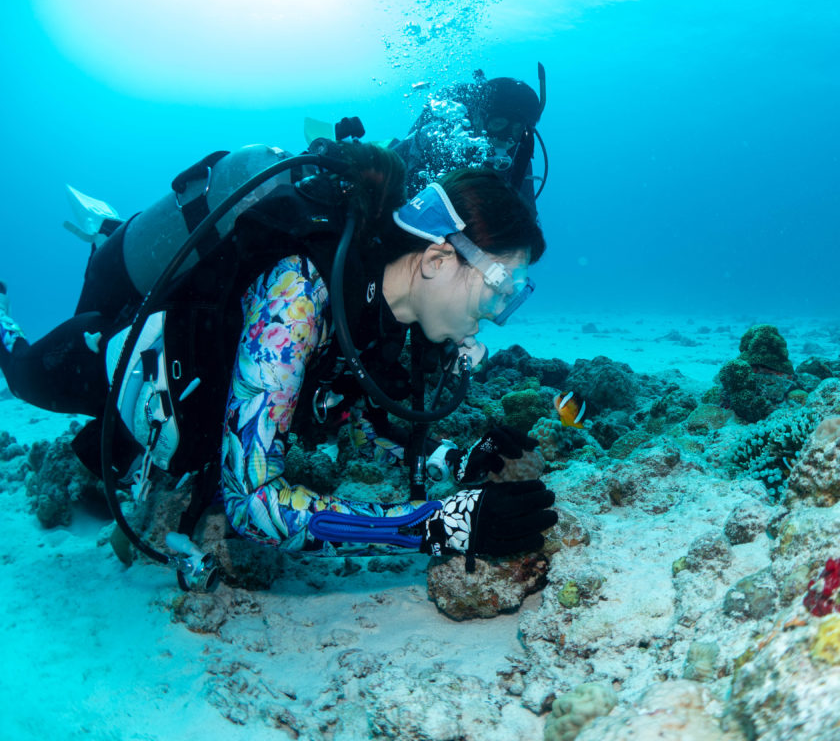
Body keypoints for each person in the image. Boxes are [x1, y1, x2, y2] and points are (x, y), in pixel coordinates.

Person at [0, 137, 557, 582]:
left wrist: (452, 461)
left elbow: (344, 415)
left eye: (510, 298)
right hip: (129, 348)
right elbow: (252, 503)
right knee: (24, 377)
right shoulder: (297, 296)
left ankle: (105, 236)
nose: (494, 314)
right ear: (437, 259)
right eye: (500, 289)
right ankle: (38, 292)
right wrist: (436, 527)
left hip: (190, 407)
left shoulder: (386, 320)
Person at [390, 69, 546, 217]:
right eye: (497, 124)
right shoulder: (437, 136)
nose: (506, 138)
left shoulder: (518, 156)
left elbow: (528, 219)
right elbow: (385, 170)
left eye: (517, 130)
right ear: (479, 117)